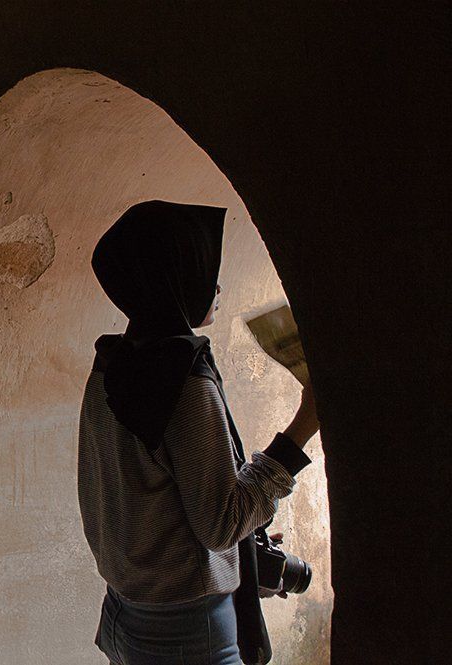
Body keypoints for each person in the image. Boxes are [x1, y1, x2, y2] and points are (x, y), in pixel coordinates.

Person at [78, 200, 320, 665]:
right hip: (186, 634)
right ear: (174, 275)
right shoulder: (182, 382)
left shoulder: (112, 365)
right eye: (204, 267)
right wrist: (304, 424)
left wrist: (242, 550)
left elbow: (150, 498)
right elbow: (221, 524)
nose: (217, 284)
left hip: (124, 613)